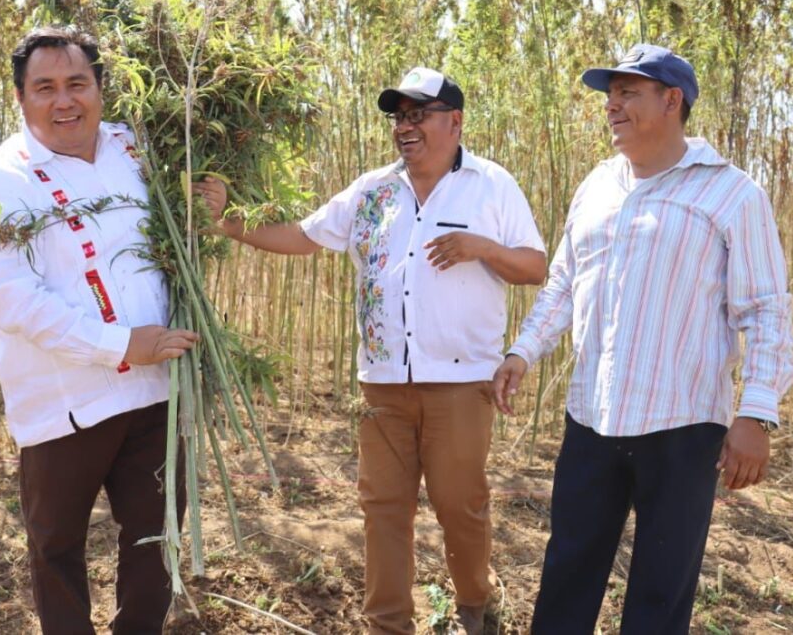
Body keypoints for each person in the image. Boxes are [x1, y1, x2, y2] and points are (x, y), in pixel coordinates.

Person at [213, 67, 547, 635]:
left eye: (420, 114)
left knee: (459, 507)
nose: (406, 126)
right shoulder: (373, 190)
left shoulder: (492, 186)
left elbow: (536, 267)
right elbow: (304, 234)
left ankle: (474, 607)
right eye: (399, 116)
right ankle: (388, 624)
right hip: (383, 383)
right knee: (382, 511)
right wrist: (227, 224)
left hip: (461, 384)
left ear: (455, 121)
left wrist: (481, 248)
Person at [492, 44, 793, 634]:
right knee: (567, 573)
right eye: (610, 95)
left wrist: (756, 413)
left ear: (672, 101)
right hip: (593, 419)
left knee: (661, 589)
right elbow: (562, 282)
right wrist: (522, 351)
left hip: (682, 428)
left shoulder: (731, 195)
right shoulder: (598, 186)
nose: (612, 106)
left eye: (628, 93)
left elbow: (764, 311)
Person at [0, 26, 224, 634]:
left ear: (101, 89)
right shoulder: (4, 181)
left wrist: (204, 209)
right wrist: (118, 345)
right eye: (45, 87)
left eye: (77, 83)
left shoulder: (137, 151)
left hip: (157, 391)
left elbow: (174, 237)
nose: (64, 101)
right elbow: (14, 300)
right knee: (56, 551)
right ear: (21, 98)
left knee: (156, 541)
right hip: (64, 403)